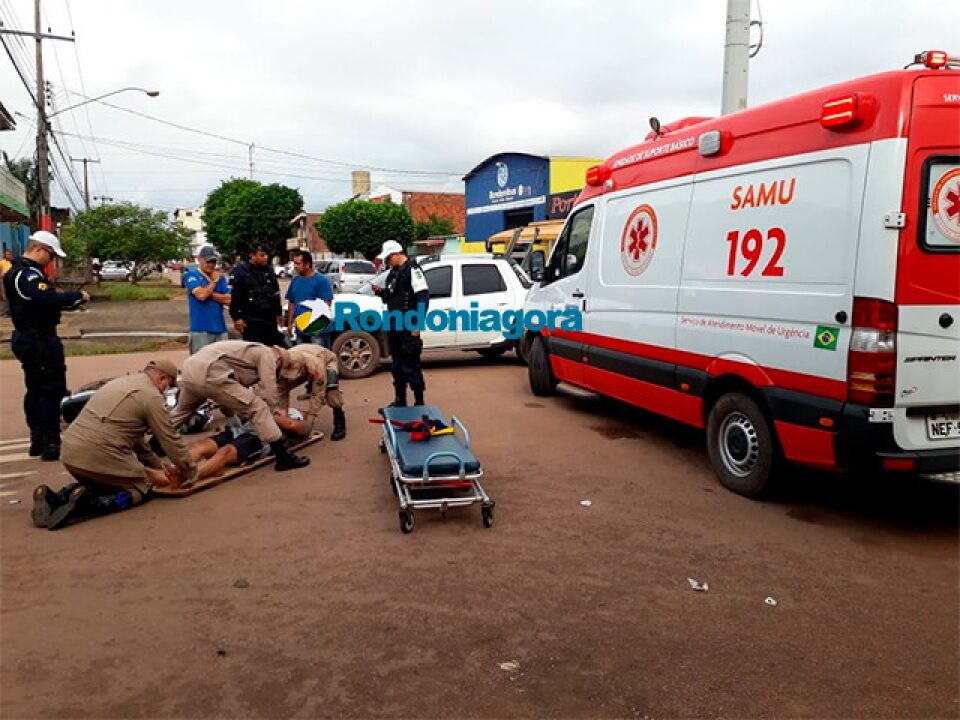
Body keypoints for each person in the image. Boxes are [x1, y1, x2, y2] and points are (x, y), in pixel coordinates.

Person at [31, 359, 197, 530]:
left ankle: (55, 498)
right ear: (162, 378)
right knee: (141, 489)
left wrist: (156, 464)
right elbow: (169, 438)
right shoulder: (151, 397)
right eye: (167, 385)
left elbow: (137, 441)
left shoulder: (119, 383)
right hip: (99, 453)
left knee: (107, 482)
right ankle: (85, 504)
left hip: (69, 451)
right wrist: (190, 471)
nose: (165, 390)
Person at [3, 231, 89, 460]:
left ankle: (38, 440)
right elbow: (47, 298)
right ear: (40, 249)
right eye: (51, 257)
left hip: (29, 337)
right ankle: (50, 442)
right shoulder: (27, 275)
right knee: (50, 390)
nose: (51, 262)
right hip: (38, 340)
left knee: (36, 388)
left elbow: (41, 304)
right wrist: (77, 294)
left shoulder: (16, 272)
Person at [168, 340, 310, 471]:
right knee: (258, 407)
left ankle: (154, 445)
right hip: (211, 373)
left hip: (190, 370)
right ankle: (283, 457)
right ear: (280, 361)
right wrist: (271, 412)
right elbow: (269, 393)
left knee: (181, 412)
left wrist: (233, 419)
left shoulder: (245, 353)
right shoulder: (269, 356)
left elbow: (228, 397)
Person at [371, 240, 430, 407]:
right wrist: (380, 292)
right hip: (394, 325)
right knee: (397, 366)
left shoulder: (413, 270)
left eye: (388, 258)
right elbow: (392, 296)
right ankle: (400, 399)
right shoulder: (394, 273)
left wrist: (418, 325)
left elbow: (423, 297)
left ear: (396, 254)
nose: (386, 262)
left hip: (409, 325)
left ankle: (419, 401)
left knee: (411, 365)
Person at [189, 409, 310, 480]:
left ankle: (188, 476)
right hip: (240, 430)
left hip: (259, 439)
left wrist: (273, 414)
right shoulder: (271, 409)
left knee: (225, 452)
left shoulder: (301, 421)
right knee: (199, 445)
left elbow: (291, 425)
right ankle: (176, 469)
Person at [276, 343, 346, 441]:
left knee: (331, 390)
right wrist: (285, 420)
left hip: (326, 361)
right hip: (304, 366)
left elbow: (318, 395)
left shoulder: (317, 366)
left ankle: (339, 418)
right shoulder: (284, 364)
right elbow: (281, 395)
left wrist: (309, 423)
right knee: (282, 387)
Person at [229, 243, 283, 346]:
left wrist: (279, 313)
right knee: (253, 352)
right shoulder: (241, 272)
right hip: (251, 320)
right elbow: (235, 297)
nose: (265, 258)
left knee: (272, 351)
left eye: (266, 255)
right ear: (252, 255)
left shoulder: (269, 270)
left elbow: (276, 293)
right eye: (262, 255)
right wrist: (237, 318)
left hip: (269, 319)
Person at [184, 245, 231, 354]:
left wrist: (210, 294)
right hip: (200, 329)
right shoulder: (192, 275)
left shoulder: (221, 278)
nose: (211, 265)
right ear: (200, 259)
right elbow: (201, 296)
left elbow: (229, 300)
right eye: (208, 261)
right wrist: (213, 283)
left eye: (213, 262)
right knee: (200, 364)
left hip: (220, 328)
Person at [285, 250, 334, 349]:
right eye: (294, 263)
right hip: (300, 329)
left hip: (317, 331)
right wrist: (290, 324)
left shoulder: (321, 281)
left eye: (298, 263)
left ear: (307, 264)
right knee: (301, 359)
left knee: (318, 359)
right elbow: (292, 302)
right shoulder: (295, 280)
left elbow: (327, 304)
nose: (295, 266)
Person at [0, 248, 14, 316]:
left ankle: (11, 311)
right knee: (5, 295)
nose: (8, 255)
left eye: (9, 254)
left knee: (12, 295)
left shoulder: (13, 262)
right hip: (4, 279)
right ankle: (5, 312)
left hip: (12, 279)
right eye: (6, 254)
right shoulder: (2, 262)